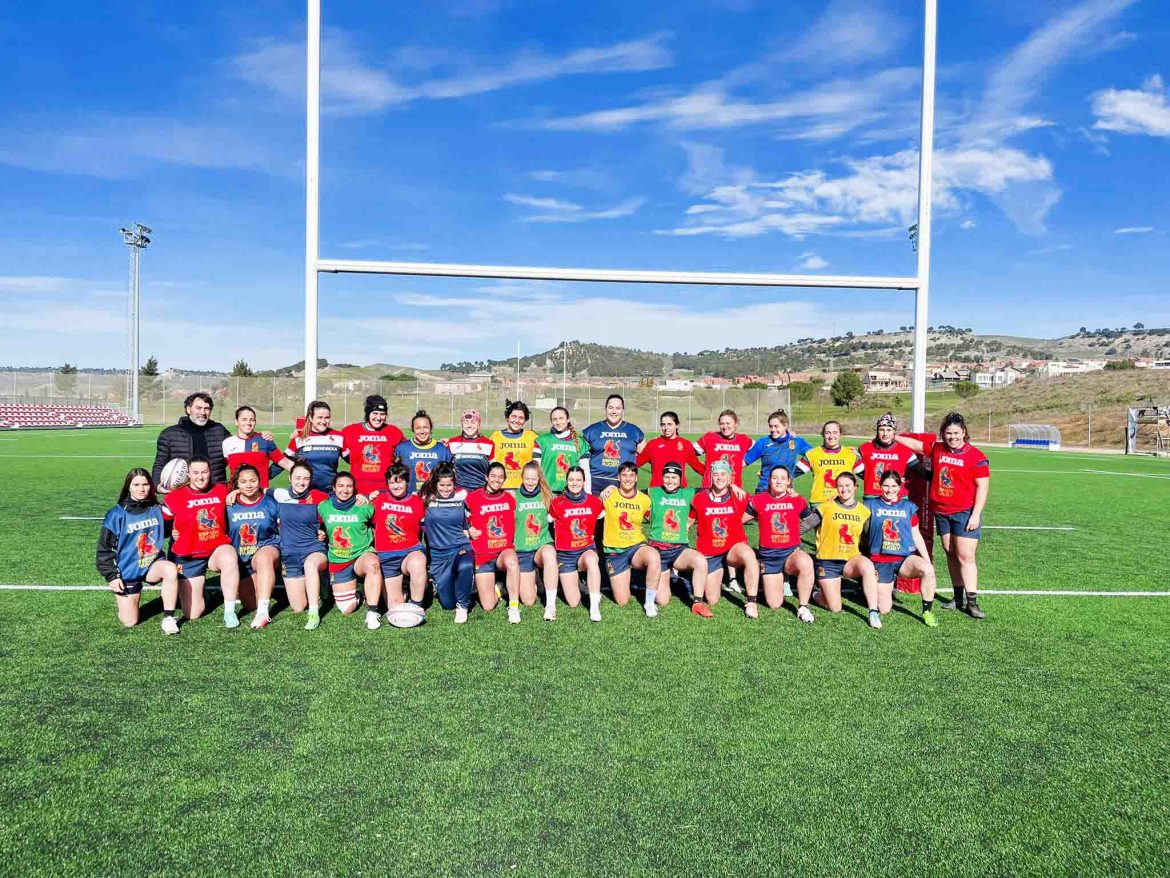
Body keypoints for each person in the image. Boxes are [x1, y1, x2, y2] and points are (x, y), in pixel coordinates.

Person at [896, 412, 991, 619]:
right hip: (942, 511)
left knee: (965, 556)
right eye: (948, 433)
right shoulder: (938, 449)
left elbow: (982, 488)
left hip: (964, 512)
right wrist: (893, 436)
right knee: (949, 552)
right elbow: (915, 445)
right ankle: (957, 598)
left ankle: (972, 601)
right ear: (943, 434)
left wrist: (976, 515)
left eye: (956, 433)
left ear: (964, 432)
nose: (952, 437)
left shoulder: (976, 456)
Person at [161, 455, 243, 627]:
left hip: (216, 550)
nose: (200, 477)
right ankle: (200, 590)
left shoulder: (221, 490)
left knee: (229, 556)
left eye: (204, 472)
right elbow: (161, 524)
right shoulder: (175, 497)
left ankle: (229, 612)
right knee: (192, 613)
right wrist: (173, 531)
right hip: (189, 556)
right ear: (188, 474)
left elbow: (245, 487)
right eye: (196, 473)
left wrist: (236, 491)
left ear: (210, 472)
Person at [96, 467, 180, 633]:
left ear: (151, 486)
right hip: (128, 570)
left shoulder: (156, 509)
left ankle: (169, 618)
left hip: (152, 564)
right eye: (136, 484)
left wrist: (174, 531)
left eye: (145, 484)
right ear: (129, 487)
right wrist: (112, 577)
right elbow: (104, 549)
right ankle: (124, 602)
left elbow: (169, 525)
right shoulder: (117, 514)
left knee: (170, 569)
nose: (141, 488)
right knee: (130, 622)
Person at [863, 470, 939, 627]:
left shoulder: (909, 506)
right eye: (886, 485)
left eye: (894, 486)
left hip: (903, 559)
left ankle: (927, 612)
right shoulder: (870, 505)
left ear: (900, 486)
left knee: (928, 570)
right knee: (883, 608)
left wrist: (927, 560)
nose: (890, 490)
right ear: (880, 485)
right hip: (880, 560)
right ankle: (873, 583)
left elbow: (916, 535)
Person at [807, 472, 882, 629]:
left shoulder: (863, 511)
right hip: (828, 562)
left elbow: (868, 541)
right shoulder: (825, 507)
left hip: (850, 560)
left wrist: (874, 565)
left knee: (868, 566)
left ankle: (873, 612)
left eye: (847, 485)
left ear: (855, 487)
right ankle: (815, 594)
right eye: (840, 486)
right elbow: (805, 526)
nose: (844, 489)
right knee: (835, 608)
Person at [744, 465, 816, 621]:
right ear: (769, 481)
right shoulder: (758, 500)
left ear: (789, 481)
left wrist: (798, 531)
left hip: (790, 553)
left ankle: (803, 607)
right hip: (769, 556)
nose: (779, 481)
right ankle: (773, 577)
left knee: (806, 562)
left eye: (783, 478)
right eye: (775, 478)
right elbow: (739, 520)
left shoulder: (796, 500)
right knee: (774, 603)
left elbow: (811, 519)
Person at [689, 460, 760, 618]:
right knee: (712, 599)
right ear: (710, 477)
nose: (719, 477)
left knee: (748, 554)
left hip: (732, 548)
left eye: (723, 474)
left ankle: (751, 603)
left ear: (729, 478)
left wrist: (788, 493)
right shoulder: (699, 498)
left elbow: (761, 505)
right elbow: (688, 522)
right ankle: (720, 572)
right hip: (710, 552)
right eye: (716, 474)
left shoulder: (739, 495)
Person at [318, 472, 383, 629]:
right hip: (339, 559)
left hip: (362, 554)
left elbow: (381, 522)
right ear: (334, 488)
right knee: (347, 609)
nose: (345, 490)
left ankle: (373, 613)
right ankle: (360, 592)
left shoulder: (364, 506)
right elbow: (313, 524)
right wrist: (319, 531)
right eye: (340, 486)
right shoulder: (324, 506)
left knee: (373, 564)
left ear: (354, 489)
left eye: (349, 486)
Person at [599, 461, 662, 617]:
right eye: (624, 475)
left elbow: (657, 518)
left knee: (653, 556)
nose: (628, 479)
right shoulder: (608, 496)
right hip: (614, 551)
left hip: (636, 546)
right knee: (622, 601)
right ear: (618, 477)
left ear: (636, 478)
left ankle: (649, 602)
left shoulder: (644, 500)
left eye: (631, 475)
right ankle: (629, 576)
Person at [272, 461, 330, 630]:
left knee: (310, 565)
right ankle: (319, 587)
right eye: (297, 477)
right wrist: (237, 491)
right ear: (289, 478)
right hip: (289, 555)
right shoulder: (278, 494)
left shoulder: (320, 497)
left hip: (313, 550)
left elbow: (338, 508)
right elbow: (255, 492)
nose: (301, 482)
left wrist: (323, 530)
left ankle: (314, 613)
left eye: (306, 478)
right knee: (298, 607)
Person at [645, 462, 708, 613]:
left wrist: (732, 486)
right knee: (662, 600)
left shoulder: (689, 493)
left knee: (700, 560)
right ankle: (672, 577)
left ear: (680, 479)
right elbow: (629, 492)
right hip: (658, 551)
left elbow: (714, 491)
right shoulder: (652, 492)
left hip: (679, 550)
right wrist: (611, 488)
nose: (670, 480)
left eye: (674, 477)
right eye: (667, 476)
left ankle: (697, 603)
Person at [225, 464, 281, 629]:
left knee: (264, 558)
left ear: (259, 481)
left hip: (266, 549)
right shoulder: (229, 504)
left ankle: (263, 613)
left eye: (252, 481)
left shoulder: (270, 503)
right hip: (242, 558)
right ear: (237, 484)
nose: (248, 485)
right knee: (250, 604)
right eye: (243, 482)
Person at [465, 462, 521, 622]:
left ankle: (514, 607)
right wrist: (468, 530)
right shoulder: (472, 498)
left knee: (512, 561)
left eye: (501, 477)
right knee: (488, 606)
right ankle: (500, 587)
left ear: (505, 479)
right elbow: (462, 521)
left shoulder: (510, 498)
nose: (497, 480)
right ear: (486, 477)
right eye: (493, 476)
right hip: (483, 555)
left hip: (503, 551)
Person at [548, 466, 606, 621]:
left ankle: (594, 607)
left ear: (584, 481)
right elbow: (547, 522)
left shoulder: (594, 501)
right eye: (571, 480)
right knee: (573, 602)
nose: (575, 483)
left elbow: (603, 519)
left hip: (585, 550)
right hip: (565, 555)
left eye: (578, 480)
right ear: (566, 481)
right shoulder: (556, 503)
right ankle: (581, 585)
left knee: (592, 561)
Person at [419, 463, 475, 623]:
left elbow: (481, 503)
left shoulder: (463, 495)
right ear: (435, 483)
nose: (445, 489)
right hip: (438, 556)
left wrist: (472, 527)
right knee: (448, 604)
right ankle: (465, 585)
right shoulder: (426, 498)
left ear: (454, 484)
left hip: (460, 547)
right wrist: (370, 495)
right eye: (442, 485)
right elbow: (402, 497)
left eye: (449, 485)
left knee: (466, 566)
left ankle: (463, 607)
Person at [371, 461, 428, 610]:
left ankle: (417, 605)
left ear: (407, 482)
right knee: (394, 607)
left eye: (400, 482)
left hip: (410, 551)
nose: (396, 486)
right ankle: (404, 589)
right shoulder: (378, 500)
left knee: (418, 561)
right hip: (387, 555)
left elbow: (427, 526)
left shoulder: (417, 501)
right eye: (391, 483)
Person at [152, 391, 232, 486]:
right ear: (189, 409)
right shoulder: (169, 434)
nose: (202, 412)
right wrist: (157, 485)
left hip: (215, 489)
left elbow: (233, 455)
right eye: (198, 408)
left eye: (207, 409)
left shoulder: (219, 430)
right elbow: (160, 463)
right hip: (183, 490)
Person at [514, 462, 557, 619]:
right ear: (522, 478)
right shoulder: (514, 496)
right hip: (522, 550)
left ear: (539, 478)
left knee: (550, 554)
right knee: (528, 600)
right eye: (527, 479)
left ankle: (551, 606)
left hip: (541, 545)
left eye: (533, 479)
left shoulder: (547, 496)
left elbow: (563, 511)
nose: (530, 482)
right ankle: (531, 582)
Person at [342, 394, 405, 498]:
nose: (379, 418)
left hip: (385, 490)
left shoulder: (394, 432)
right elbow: (340, 451)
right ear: (368, 413)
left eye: (382, 414)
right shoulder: (350, 431)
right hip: (357, 491)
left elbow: (409, 449)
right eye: (375, 413)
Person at [582, 394, 645, 495]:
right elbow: (580, 456)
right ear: (605, 409)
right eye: (610, 407)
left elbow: (647, 455)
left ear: (623, 410)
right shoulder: (591, 431)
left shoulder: (634, 432)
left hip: (623, 483)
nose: (614, 411)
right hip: (595, 482)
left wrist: (631, 469)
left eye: (618, 408)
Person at [744, 410, 813, 494]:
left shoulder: (795, 441)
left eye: (776, 426)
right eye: (770, 426)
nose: (773, 430)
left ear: (785, 426)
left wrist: (793, 473)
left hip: (786, 490)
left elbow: (815, 455)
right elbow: (744, 462)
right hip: (765, 489)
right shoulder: (763, 442)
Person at [285, 401, 347, 493]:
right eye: (319, 417)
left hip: (331, 493)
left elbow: (354, 461)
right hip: (305, 492)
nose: (323, 421)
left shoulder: (338, 437)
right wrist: (261, 476)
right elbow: (282, 461)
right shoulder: (299, 437)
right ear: (310, 417)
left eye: (327, 418)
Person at [223, 405, 288, 489]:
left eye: (252, 420)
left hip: (260, 496)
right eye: (244, 419)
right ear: (236, 421)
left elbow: (285, 463)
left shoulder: (264, 440)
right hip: (236, 496)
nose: (248, 423)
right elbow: (219, 468)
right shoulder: (227, 443)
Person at [796, 420, 861, 504]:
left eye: (835, 432)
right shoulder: (812, 454)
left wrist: (864, 456)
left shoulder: (850, 454)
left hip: (843, 503)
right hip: (819, 503)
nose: (831, 436)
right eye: (828, 433)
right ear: (823, 435)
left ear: (840, 434)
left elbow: (867, 475)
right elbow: (791, 472)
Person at [856, 413, 919, 498]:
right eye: (882, 430)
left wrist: (906, 480)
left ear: (894, 431)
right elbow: (859, 469)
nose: (885, 433)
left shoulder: (905, 450)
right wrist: (870, 478)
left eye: (889, 430)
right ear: (877, 431)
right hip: (872, 496)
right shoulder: (864, 448)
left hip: (898, 497)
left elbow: (919, 472)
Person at [636, 410, 704, 488]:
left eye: (669, 424)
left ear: (677, 425)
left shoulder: (685, 444)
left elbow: (697, 466)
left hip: (679, 491)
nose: (666, 428)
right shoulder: (653, 444)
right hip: (657, 491)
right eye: (663, 425)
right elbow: (636, 462)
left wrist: (716, 474)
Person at [532, 406, 589, 494]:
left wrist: (588, 493)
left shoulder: (580, 442)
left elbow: (585, 471)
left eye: (561, 418)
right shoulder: (542, 441)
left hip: (572, 492)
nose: (558, 422)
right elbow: (535, 470)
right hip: (547, 492)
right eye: (554, 419)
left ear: (568, 419)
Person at [396, 410, 453, 494]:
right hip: (410, 497)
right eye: (418, 428)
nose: (422, 431)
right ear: (413, 429)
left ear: (430, 428)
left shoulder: (442, 449)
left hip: (435, 497)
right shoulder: (402, 448)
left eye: (425, 427)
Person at [694, 409, 753, 488]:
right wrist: (703, 470)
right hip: (710, 487)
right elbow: (688, 453)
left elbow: (760, 449)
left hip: (734, 488)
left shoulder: (743, 439)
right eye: (722, 424)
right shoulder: (709, 438)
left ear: (736, 423)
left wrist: (746, 461)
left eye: (728, 423)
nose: (725, 427)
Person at [489, 400, 540, 491]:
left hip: (525, 488)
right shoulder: (495, 437)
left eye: (521, 418)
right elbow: (491, 464)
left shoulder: (532, 437)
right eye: (514, 416)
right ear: (507, 417)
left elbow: (538, 464)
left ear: (525, 420)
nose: (517, 421)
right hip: (502, 488)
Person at [445, 408, 495, 491]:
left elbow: (493, 470)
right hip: (459, 492)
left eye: (473, 422)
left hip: (481, 491)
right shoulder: (452, 443)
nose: (469, 425)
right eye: (466, 422)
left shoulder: (488, 444)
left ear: (479, 424)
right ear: (462, 424)